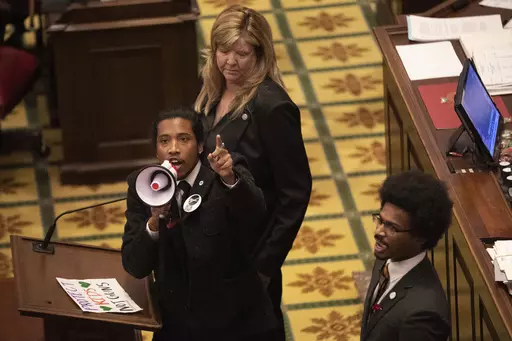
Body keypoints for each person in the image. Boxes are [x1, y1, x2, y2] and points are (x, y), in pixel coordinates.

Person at [194, 6, 312, 339]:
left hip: (247, 254)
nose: (229, 61)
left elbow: (295, 193)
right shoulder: (211, 87)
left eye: (241, 53)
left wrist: (264, 266)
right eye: (223, 50)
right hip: (209, 246)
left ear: (260, 54)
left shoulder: (273, 107)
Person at [122, 108, 277, 341]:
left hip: (236, 323)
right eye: (165, 141)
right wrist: (154, 222)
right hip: (177, 325)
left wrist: (229, 178)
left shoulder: (223, 171)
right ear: (156, 150)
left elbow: (256, 213)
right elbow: (134, 264)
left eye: (183, 139)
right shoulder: (143, 186)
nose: (173, 148)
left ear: (201, 145)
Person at [360, 170, 453, 341]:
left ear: (420, 236)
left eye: (392, 228)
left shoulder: (424, 315)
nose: (378, 232)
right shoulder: (388, 257)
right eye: (380, 221)